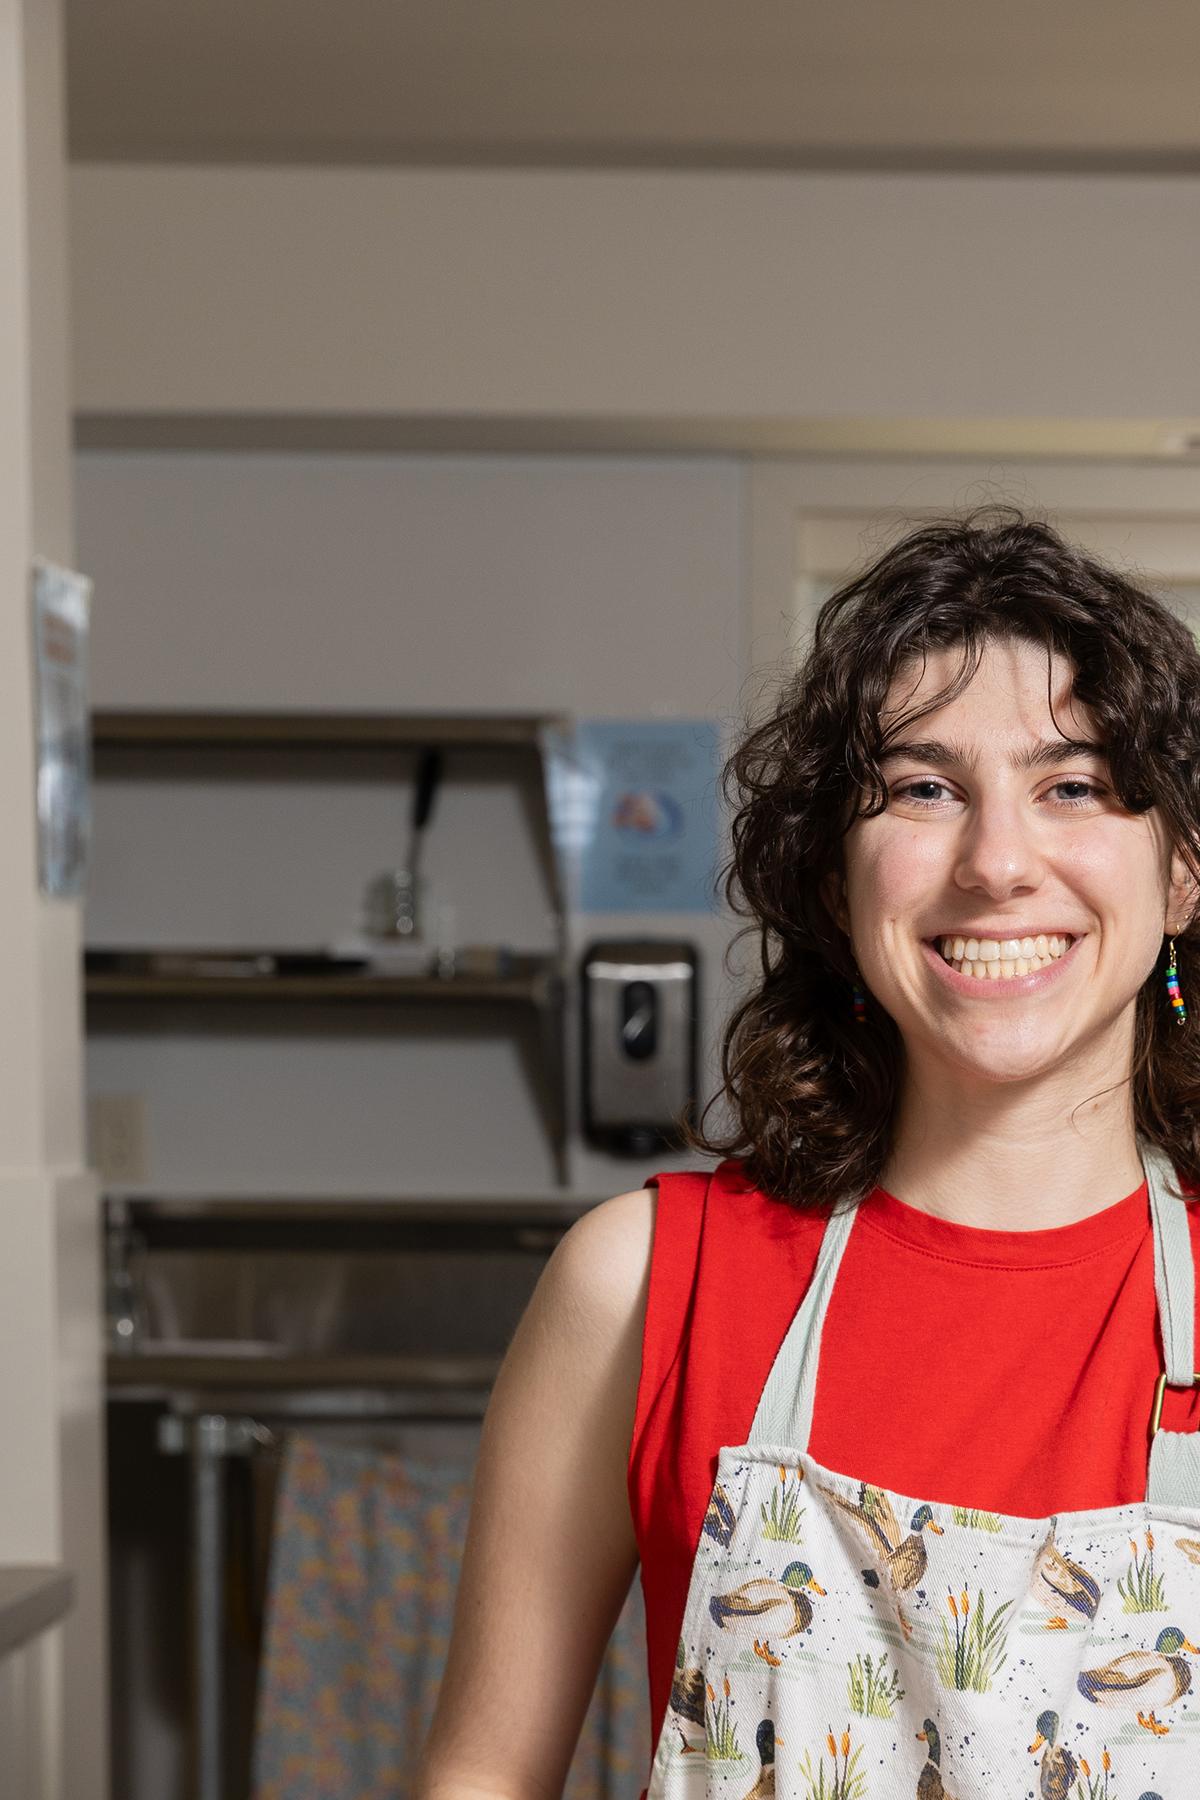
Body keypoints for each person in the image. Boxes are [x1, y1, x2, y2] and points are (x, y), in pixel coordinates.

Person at [414, 507, 1200, 1800]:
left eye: (1073, 784)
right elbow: (481, 1781)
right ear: (837, 886)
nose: (998, 862)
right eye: (921, 788)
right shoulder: (643, 1287)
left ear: (1180, 875)